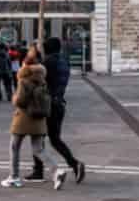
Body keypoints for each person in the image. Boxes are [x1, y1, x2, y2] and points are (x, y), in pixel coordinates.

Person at [36, 36, 86, 187]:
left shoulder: (47, 62)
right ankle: (74, 164)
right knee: (54, 139)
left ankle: (38, 171)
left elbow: (37, 81)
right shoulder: (64, 61)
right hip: (59, 104)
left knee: (38, 138)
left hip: (47, 105)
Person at [5, 49, 54, 188]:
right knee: (38, 149)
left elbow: (20, 101)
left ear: (25, 65)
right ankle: (57, 170)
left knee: (14, 146)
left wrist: (14, 98)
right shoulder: (42, 78)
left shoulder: (24, 79)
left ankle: (14, 177)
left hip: (23, 118)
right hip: (39, 117)